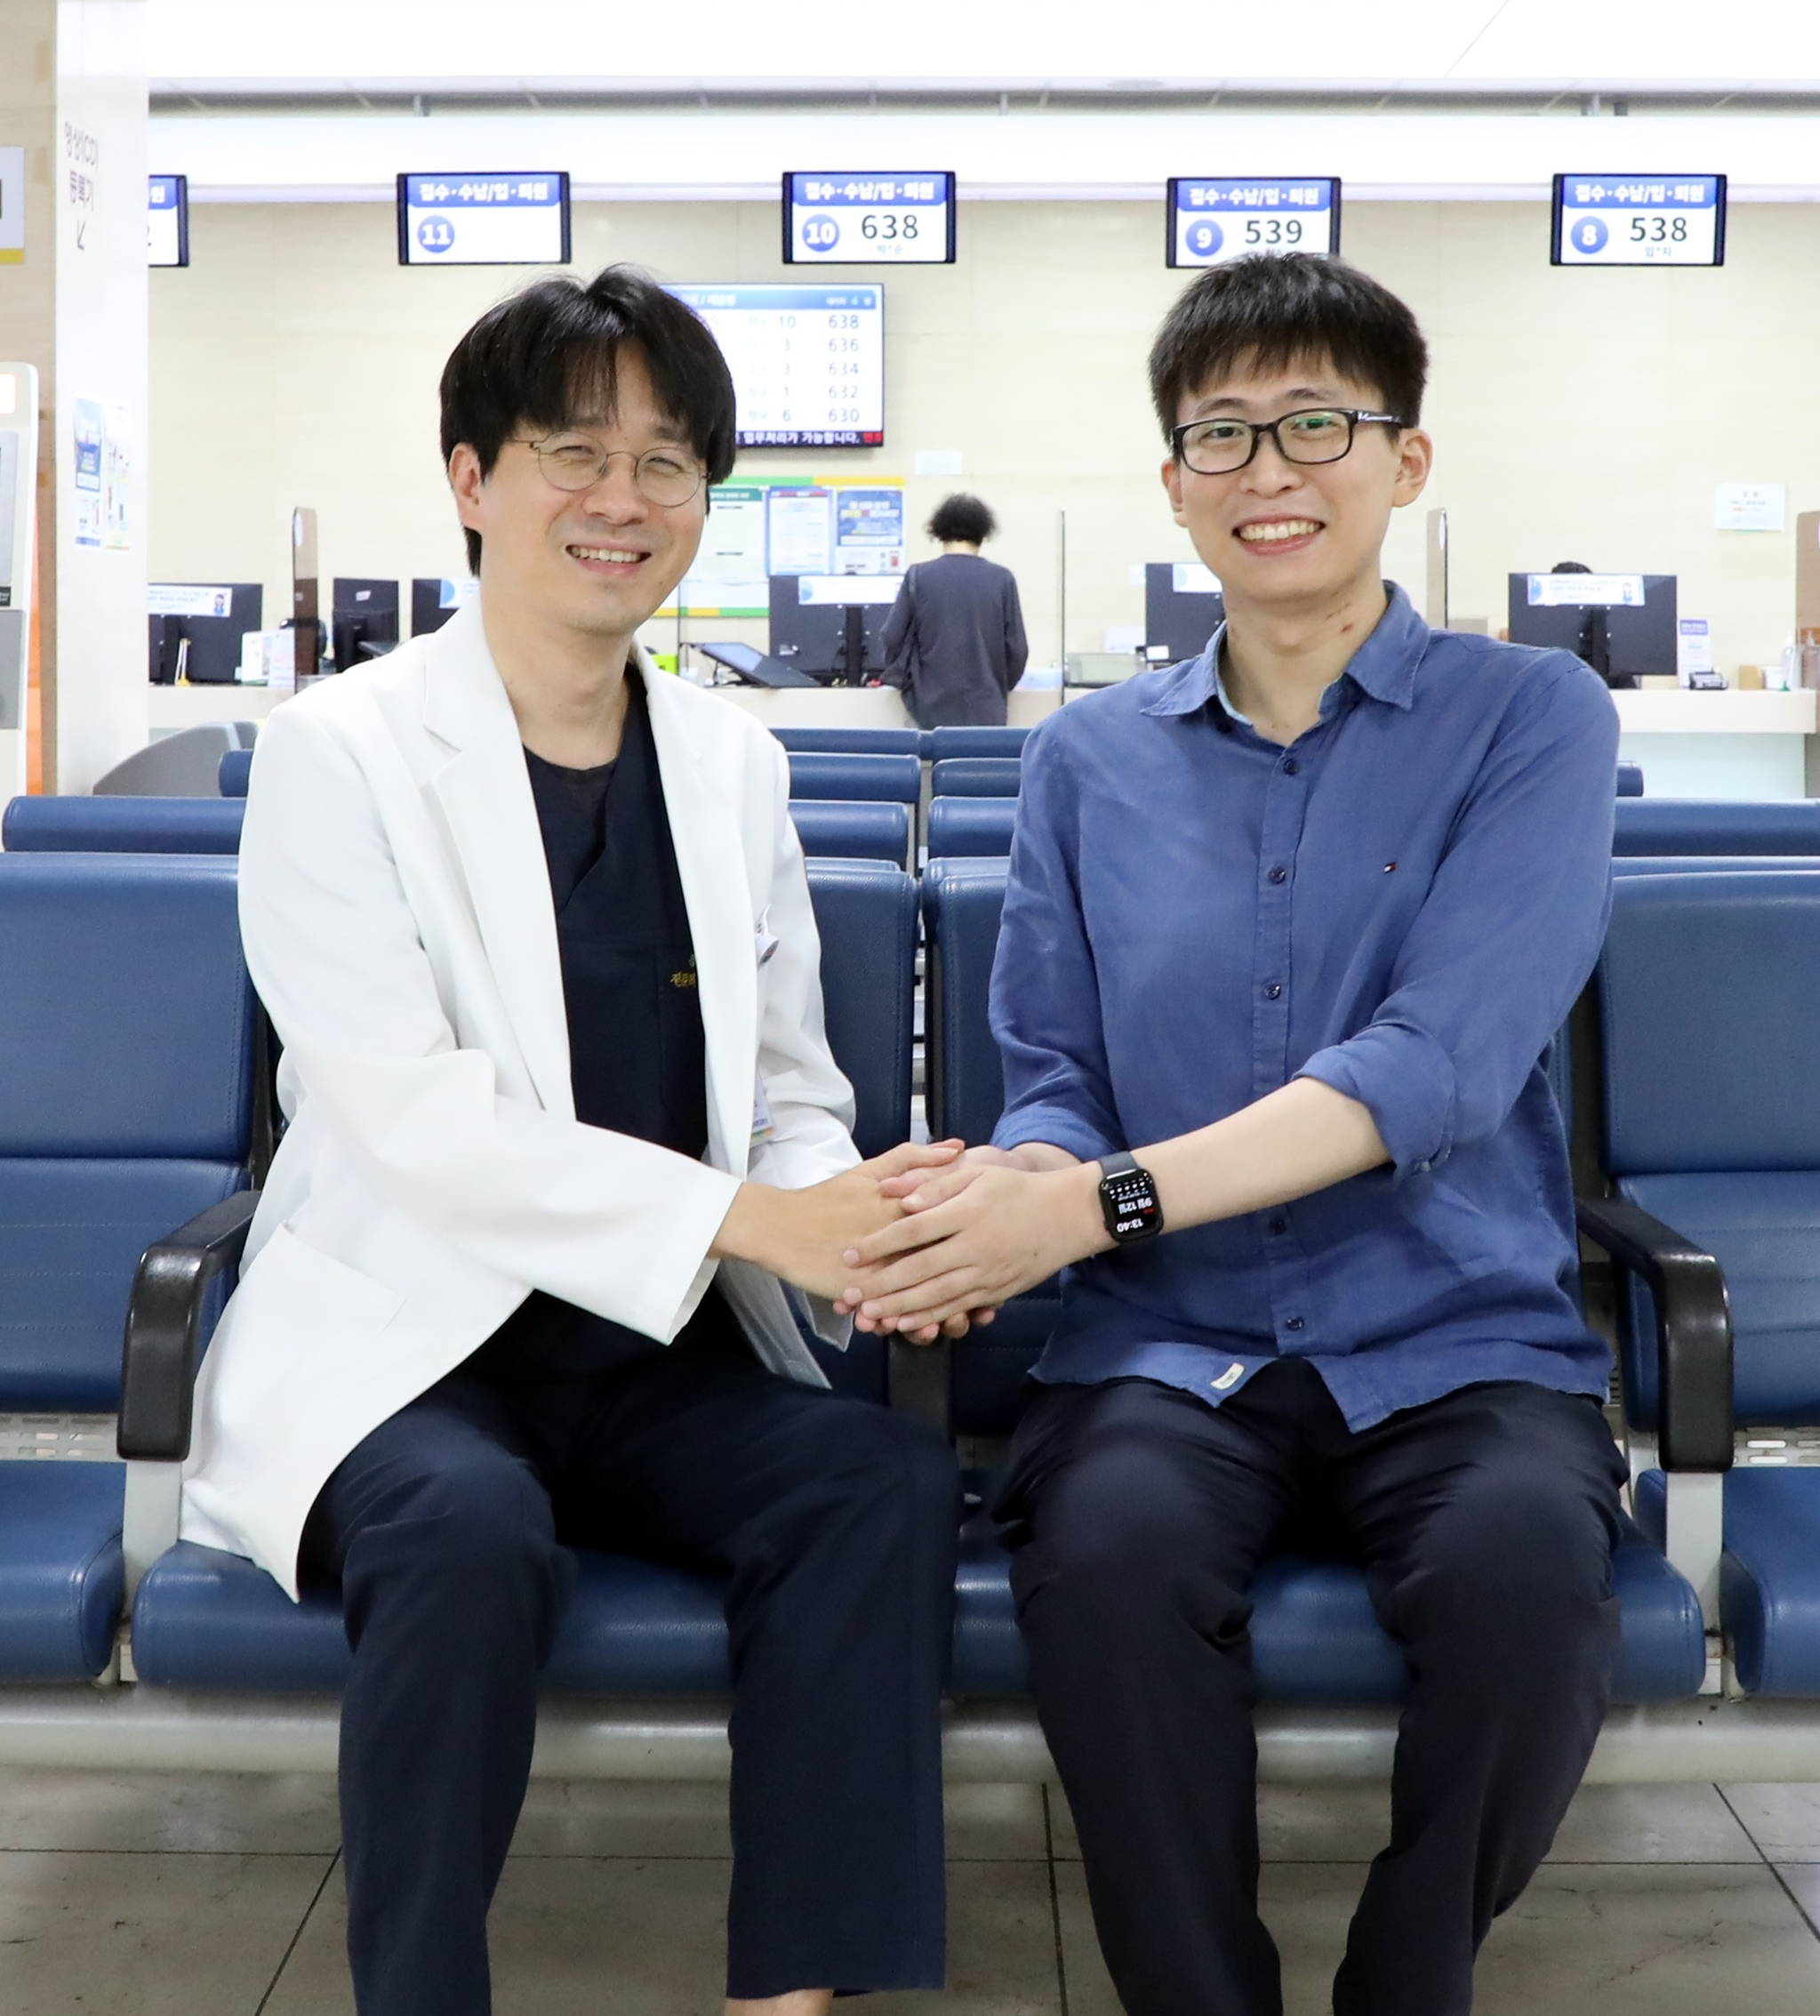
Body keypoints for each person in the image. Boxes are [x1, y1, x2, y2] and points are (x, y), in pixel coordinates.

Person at [836, 252, 1626, 2016]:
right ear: (1174, 480)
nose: (1270, 470)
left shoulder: (1533, 722)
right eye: (1221, 434)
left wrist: (1091, 1201)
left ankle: (1409, 1981)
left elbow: (1435, 1064)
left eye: (1317, 423)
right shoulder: (1088, 762)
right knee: (1105, 1561)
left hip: (1451, 1331)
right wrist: (1023, 1177)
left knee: (1526, 1578)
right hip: (1163, 1343)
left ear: (1405, 458)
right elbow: (1051, 1059)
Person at [180, 265, 966, 2016]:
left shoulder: (731, 760)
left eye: (669, 464)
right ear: (471, 477)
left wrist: (845, 1206)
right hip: (413, 1343)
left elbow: (786, 1073)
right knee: (462, 1532)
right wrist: (766, 1218)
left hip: (651, 1344)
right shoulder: (340, 751)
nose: (623, 501)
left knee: (874, 1480)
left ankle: (795, 1989)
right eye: (572, 453)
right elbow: (411, 1119)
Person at [881, 492, 1028, 726]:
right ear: (983, 533)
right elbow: (1017, 650)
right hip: (986, 709)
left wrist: (909, 683)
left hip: (927, 708)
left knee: (929, 763)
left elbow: (892, 636)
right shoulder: (1002, 579)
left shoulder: (918, 577)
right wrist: (997, 686)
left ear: (939, 532)